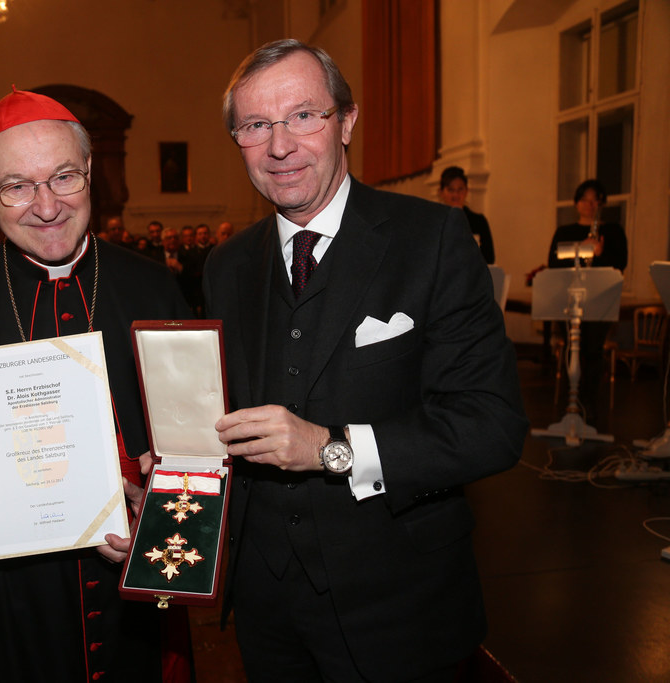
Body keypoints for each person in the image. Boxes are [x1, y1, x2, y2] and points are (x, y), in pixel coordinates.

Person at [203, 40, 527, 681]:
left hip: (401, 604)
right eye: (255, 125)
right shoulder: (225, 267)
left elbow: (492, 425)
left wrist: (331, 449)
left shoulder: (431, 240)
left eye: (303, 116)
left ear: (347, 121)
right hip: (267, 610)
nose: (279, 145)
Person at [0, 88, 193, 682]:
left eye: (65, 177)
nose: (46, 207)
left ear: (92, 176)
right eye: (17, 186)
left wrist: (161, 524)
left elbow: (190, 446)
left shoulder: (154, 288)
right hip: (1, 599)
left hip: (129, 590)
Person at [546, 178, 627, 415]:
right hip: (569, 301)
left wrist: (599, 253)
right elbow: (554, 264)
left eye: (596, 201)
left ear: (601, 204)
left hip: (600, 299)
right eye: (585, 200)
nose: (590, 205)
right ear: (576, 203)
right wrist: (581, 249)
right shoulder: (565, 232)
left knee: (593, 350)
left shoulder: (612, 231)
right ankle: (570, 402)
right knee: (574, 348)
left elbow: (620, 264)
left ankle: (589, 401)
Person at [438, 165, 495, 264]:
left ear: (466, 191)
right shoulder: (436, 221)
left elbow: (489, 258)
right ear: (441, 192)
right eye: (451, 190)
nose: (456, 195)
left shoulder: (478, 221)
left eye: (460, 189)